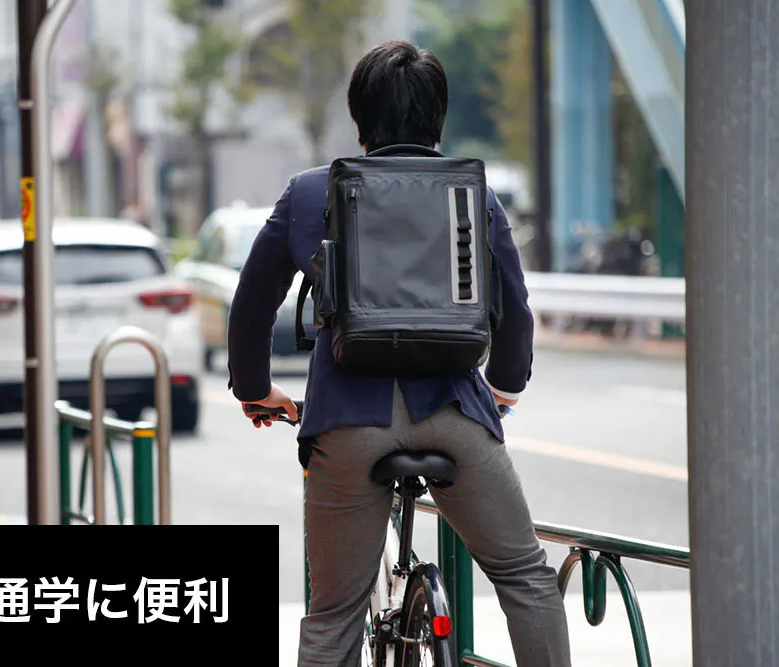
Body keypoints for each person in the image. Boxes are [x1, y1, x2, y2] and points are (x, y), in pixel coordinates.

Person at [226, 40, 572, 667]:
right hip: (455, 412)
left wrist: (255, 390)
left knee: (334, 616)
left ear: (359, 114)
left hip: (347, 420)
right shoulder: (473, 192)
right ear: (438, 114)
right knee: (525, 576)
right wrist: (503, 388)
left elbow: (251, 307)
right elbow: (514, 307)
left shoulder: (310, 193)